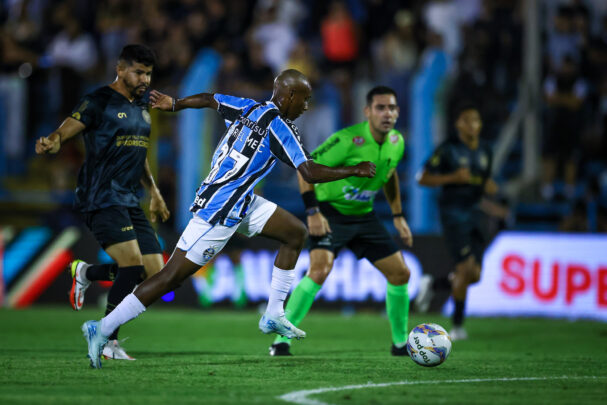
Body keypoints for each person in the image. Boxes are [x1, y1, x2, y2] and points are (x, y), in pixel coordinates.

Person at [80, 69, 376, 369]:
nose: (306, 106)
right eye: (305, 99)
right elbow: (310, 172)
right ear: (289, 96)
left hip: (241, 200)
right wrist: (355, 170)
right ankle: (101, 329)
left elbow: (210, 100)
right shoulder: (280, 127)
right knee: (170, 277)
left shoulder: (247, 106)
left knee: (294, 233)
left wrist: (175, 103)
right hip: (220, 210)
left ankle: (274, 314)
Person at [35, 44, 170, 360]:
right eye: (139, 72)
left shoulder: (142, 107)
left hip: (129, 198)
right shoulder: (98, 101)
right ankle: (108, 341)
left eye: (148, 73)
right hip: (101, 195)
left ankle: (87, 273)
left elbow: (138, 154)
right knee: (132, 264)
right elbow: (66, 129)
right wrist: (53, 141)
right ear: (120, 68)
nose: (145, 79)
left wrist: (155, 193)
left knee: (156, 274)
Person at [270, 86, 413, 357]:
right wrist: (313, 212)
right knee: (320, 270)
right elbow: (305, 169)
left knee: (400, 273)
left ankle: (400, 344)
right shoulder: (347, 140)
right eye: (381, 108)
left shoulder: (397, 141)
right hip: (330, 211)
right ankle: (280, 340)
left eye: (392, 108)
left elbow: (389, 174)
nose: (388, 113)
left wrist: (397, 215)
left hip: (363, 214)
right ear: (367, 112)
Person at [416, 103, 497, 340]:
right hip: (454, 214)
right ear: (459, 124)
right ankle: (458, 326)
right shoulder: (448, 150)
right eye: (468, 120)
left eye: (476, 121)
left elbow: (483, 182)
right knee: (464, 269)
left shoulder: (485, 151)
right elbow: (422, 177)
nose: (473, 125)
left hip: (476, 213)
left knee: (475, 275)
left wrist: (489, 191)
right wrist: (452, 177)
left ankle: (434, 284)